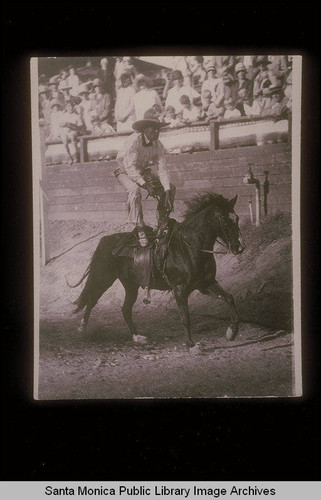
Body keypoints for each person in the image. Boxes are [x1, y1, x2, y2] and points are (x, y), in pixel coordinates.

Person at [114, 108, 176, 246]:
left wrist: (166, 191)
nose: (156, 131)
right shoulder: (133, 141)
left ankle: (162, 223)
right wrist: (146, 185)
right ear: (144, 129)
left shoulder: (158, 145)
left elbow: (163, 170)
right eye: (153, 128)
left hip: (142, 171)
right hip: (124, 170)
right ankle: (140, 227)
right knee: (134, 190)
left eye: (158, 128)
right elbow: (130, 168)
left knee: (170, 188)